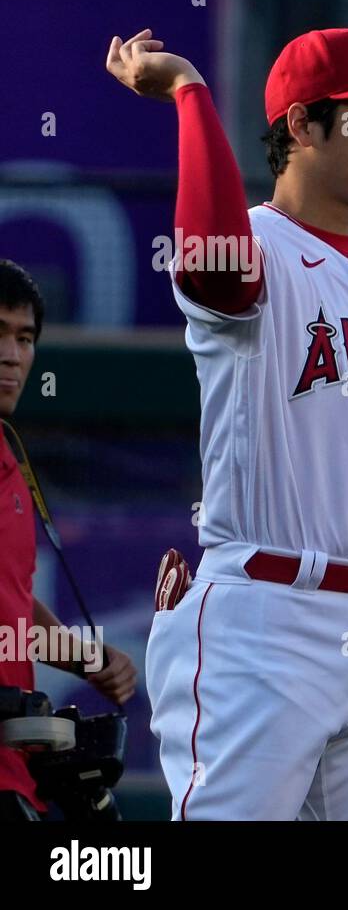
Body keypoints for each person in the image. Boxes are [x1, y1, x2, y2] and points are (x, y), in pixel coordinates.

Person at [105, 26, 348, 820]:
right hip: (264, 623)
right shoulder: (255, 249)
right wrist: (190, 93)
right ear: (302, 126)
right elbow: (209, 255)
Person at [0, 259, 137, 821]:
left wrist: (84, 657)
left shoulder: (9, 454)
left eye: (24, 337)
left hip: (13, 777)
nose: (11, 354)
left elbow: (11, 602)